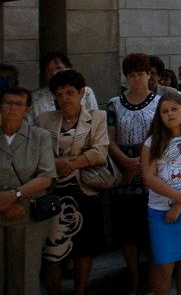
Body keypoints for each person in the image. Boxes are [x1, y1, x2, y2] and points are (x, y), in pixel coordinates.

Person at [37, 70, 109, 295]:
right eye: (60, 94)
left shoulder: (98, 117)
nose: (65, 97)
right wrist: (57, 163)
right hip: (53, 194)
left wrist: (71, 163)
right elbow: (38, 154)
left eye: (70, 92)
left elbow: (100, 152)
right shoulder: (44, 120)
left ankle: (80, 292)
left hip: (84, 191)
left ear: (81, 93)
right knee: (51, 252)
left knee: (84, 249)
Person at [142, 90, 181, 295]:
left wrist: (179, 204)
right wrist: (175, 196)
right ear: (159, 115)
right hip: (160, 209)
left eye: (175, 109)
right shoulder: (151, 142)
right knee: (164, 263)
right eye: (165, 111)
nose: (170, 114)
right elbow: (149, 176)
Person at [106, 53, 160, 291]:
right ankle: (134, 275)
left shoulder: (160, 103)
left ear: (149, 75)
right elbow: (109, 139)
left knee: (151, 228)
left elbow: (163, 138)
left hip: (153, 171)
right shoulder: (114, 103)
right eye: (132, 75)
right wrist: (126, 162)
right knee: (127, 229)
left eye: (141, 74)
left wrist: (142, 164)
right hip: (123, 172)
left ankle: (151, 276)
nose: (136, 79)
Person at [0, 86, 55, 295]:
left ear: (27, 110)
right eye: (7, 103)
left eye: (18, 104)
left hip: (27, 213)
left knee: (24, 277)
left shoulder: (40, 136)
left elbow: (46, 176)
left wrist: (14, 196)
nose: (12, 108)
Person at [30, 52, 99, 121]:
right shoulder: (35, 97)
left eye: (58, 68)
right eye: (49, 70)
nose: (54, 73)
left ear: (69, 68)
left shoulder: (86, 91)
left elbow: (94, 118)